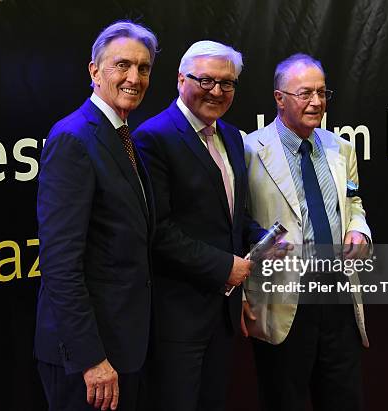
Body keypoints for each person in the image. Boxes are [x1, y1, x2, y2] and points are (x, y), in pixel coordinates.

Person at [133, 40, 266, 411]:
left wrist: (261, 237)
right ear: (180, 79)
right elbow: (157, 230)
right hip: (176, 317)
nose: (217, 91)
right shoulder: (152, 138)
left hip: (222, 314)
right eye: (206, 80)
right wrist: (226, 266)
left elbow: (229, 216)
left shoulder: (234, 138)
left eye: (227, 83)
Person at [35, 20, 158, 411]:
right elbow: (60, 263)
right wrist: (91, 359)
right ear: (94, 71)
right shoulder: (74, 138)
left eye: (143, 68)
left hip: (123, 347)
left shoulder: (122, 134)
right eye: (122, 65)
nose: (134, 77)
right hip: (87, 360)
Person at [242, 53, 372, 411]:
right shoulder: (249, 150)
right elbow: (237, 223)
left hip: (338, 297)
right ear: (279, 98)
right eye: (305, 93)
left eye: (322, 92)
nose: (316, 102)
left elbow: (354, 201)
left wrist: (359, 230)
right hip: (284, 299)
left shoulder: (340, 148)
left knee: (345, 398)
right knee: (285, 399)